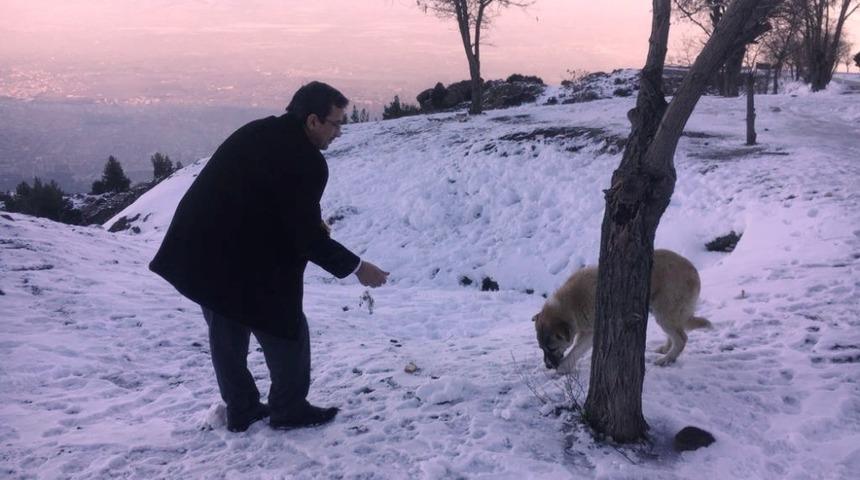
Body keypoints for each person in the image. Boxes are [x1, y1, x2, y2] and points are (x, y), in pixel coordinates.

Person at [149, 81, 389, 432]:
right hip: (236, 253)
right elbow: (305, 237)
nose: (340, 132)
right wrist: (357, 267)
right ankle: (289, 410)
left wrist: (305, 221)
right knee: (286, 328)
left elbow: (265, 197)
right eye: (336, 123)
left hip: (200, 249)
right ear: (312, 121)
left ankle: (242, 409)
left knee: (226, 327)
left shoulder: (259, 131)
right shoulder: (306, 161)